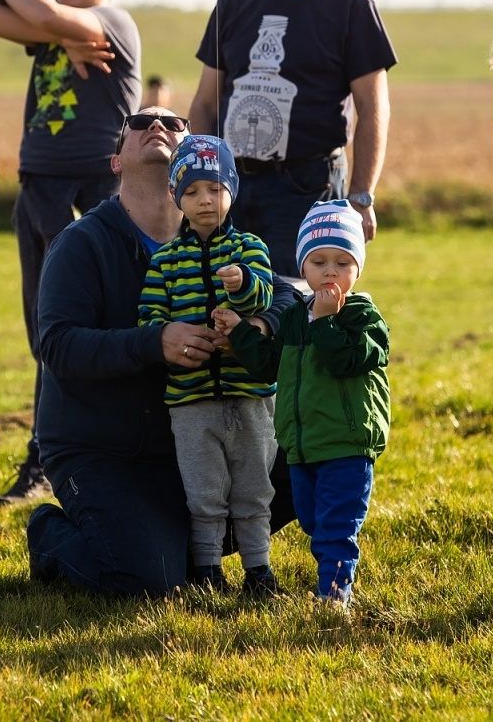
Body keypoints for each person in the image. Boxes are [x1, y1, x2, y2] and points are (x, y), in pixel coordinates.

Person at [27, 108, 299, 596]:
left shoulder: (226, 240)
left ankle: (191, 549)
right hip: (106, 451)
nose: (158, 125)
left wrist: (255, 325)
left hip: (198, 434)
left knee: (307, 459)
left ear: (194, 161)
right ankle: (48, 533)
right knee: (146, 581)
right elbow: (58, 346)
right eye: (139, 122)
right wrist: (155, 342)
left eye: (175, 123)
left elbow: (285, 298)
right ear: (115, 162)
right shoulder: (81, 244)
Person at [0, 0, 142, 503]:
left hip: (97, 186)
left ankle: (113, 450)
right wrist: (30, 12)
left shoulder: (113, 23)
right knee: (47, 332)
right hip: (39, 189)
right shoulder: (57, 29)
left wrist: (39, 14)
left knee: (100, 321)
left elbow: (32, 13)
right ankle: (42, 461)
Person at [189, 0, 397, 275]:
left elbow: (372, 108)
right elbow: (203, 103)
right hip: (231, 186)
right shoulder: (232, 3)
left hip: (308, 188)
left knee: (296, 310)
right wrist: (200, 179)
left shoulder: (348, 3)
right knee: (223, 310)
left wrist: (361, 197)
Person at [219, 201, 390, 607]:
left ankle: (333, 595)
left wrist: (327, 321)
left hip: (346, 444)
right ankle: (331, 577)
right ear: (303, 267)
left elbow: (346, 359)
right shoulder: (295, 316)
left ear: (357, 269)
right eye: (318, 261)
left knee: (335, 526)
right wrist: (241, 331)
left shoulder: (363, 316)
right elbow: (267, 366)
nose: (330, 271)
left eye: (342, 262)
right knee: (313, 521)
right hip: (302, 446)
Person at [138, 134, 280, 595]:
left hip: (249, 396)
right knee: (204, 491)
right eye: (193, 191)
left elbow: (265, 293)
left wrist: (240, 289)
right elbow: (150, 319)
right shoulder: (164, 262)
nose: (205, 201)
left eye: (215, 190)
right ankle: (208, 571)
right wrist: (172, 339)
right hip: (190, 401)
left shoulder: (249, 249)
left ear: (231, 193)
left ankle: (258, 570)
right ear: (177, 196)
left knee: (254, 488)